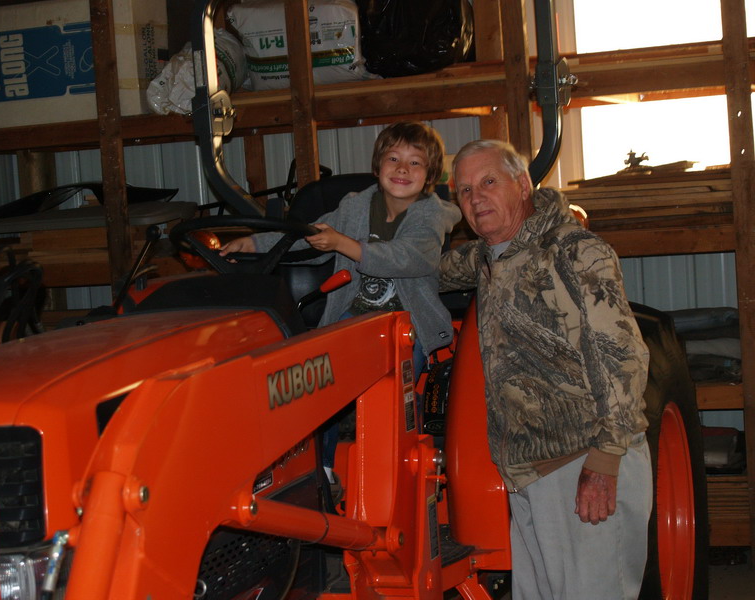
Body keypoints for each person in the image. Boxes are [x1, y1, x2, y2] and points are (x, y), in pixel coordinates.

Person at [439, 139, 652, 600]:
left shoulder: (574, 251)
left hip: (584, 462)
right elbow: (429, 270)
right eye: (465, 190)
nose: (476, 198)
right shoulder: (489, 257)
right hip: (527, 473)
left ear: (522, 185)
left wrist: (605, 460)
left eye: (488, 182)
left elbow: (622, 356)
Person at [221, 120, 462, 488]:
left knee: (396, 387)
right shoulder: (355, 206)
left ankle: (394, 467)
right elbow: (310, 236)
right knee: (324, 381)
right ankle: (325, 468)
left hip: (407, 323)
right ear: (377, 165)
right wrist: (254, 243)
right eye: (393, 158)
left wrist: (344, 244)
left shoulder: (431, 215)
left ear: (430, 175)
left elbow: (411, 258)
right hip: (357, 314)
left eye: (415, 162)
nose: (402, 169)